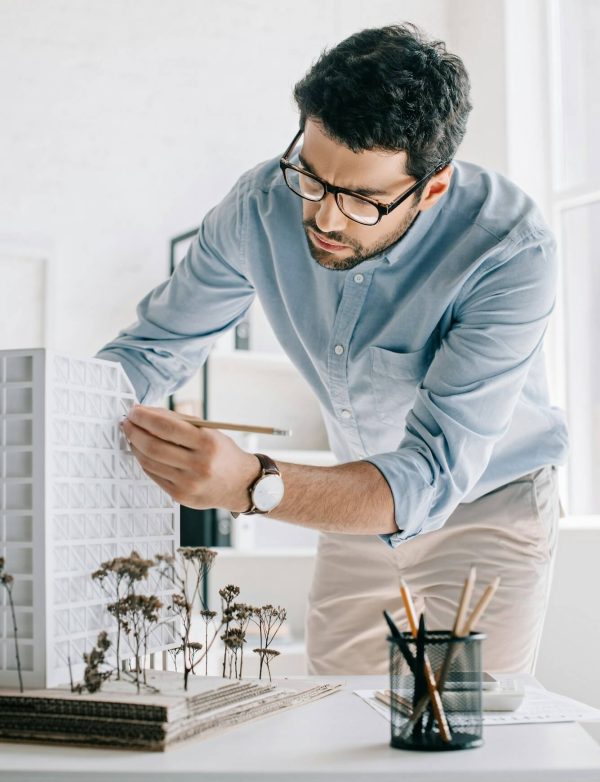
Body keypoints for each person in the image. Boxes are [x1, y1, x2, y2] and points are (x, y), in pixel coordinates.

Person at [99, 24, 568, 676]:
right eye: (313, 178)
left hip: (487, 504)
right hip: (357, 500)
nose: (324, 217)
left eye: (363, 201)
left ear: (430, 188)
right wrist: (49, 418)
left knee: (465, 742)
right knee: (335, 724)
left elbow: (431, 473)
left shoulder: (510, 248)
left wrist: (251, 484)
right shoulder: (260, 205)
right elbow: (153, 349)